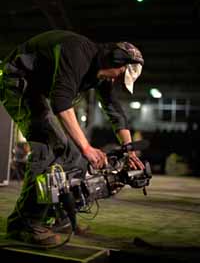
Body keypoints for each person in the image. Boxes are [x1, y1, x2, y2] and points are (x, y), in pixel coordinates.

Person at [0, 30, 144, 246]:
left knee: (75, 156)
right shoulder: (76, 52)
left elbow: (115, 111)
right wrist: (87, 147)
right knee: (50, 148)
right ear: (115, 60)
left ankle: (58, 218)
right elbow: (60, 102)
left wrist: (129, 150)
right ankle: (24, 225)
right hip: (17, 82)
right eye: (118, 75)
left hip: (37, 89)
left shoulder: (103, 72)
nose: (115, 81)